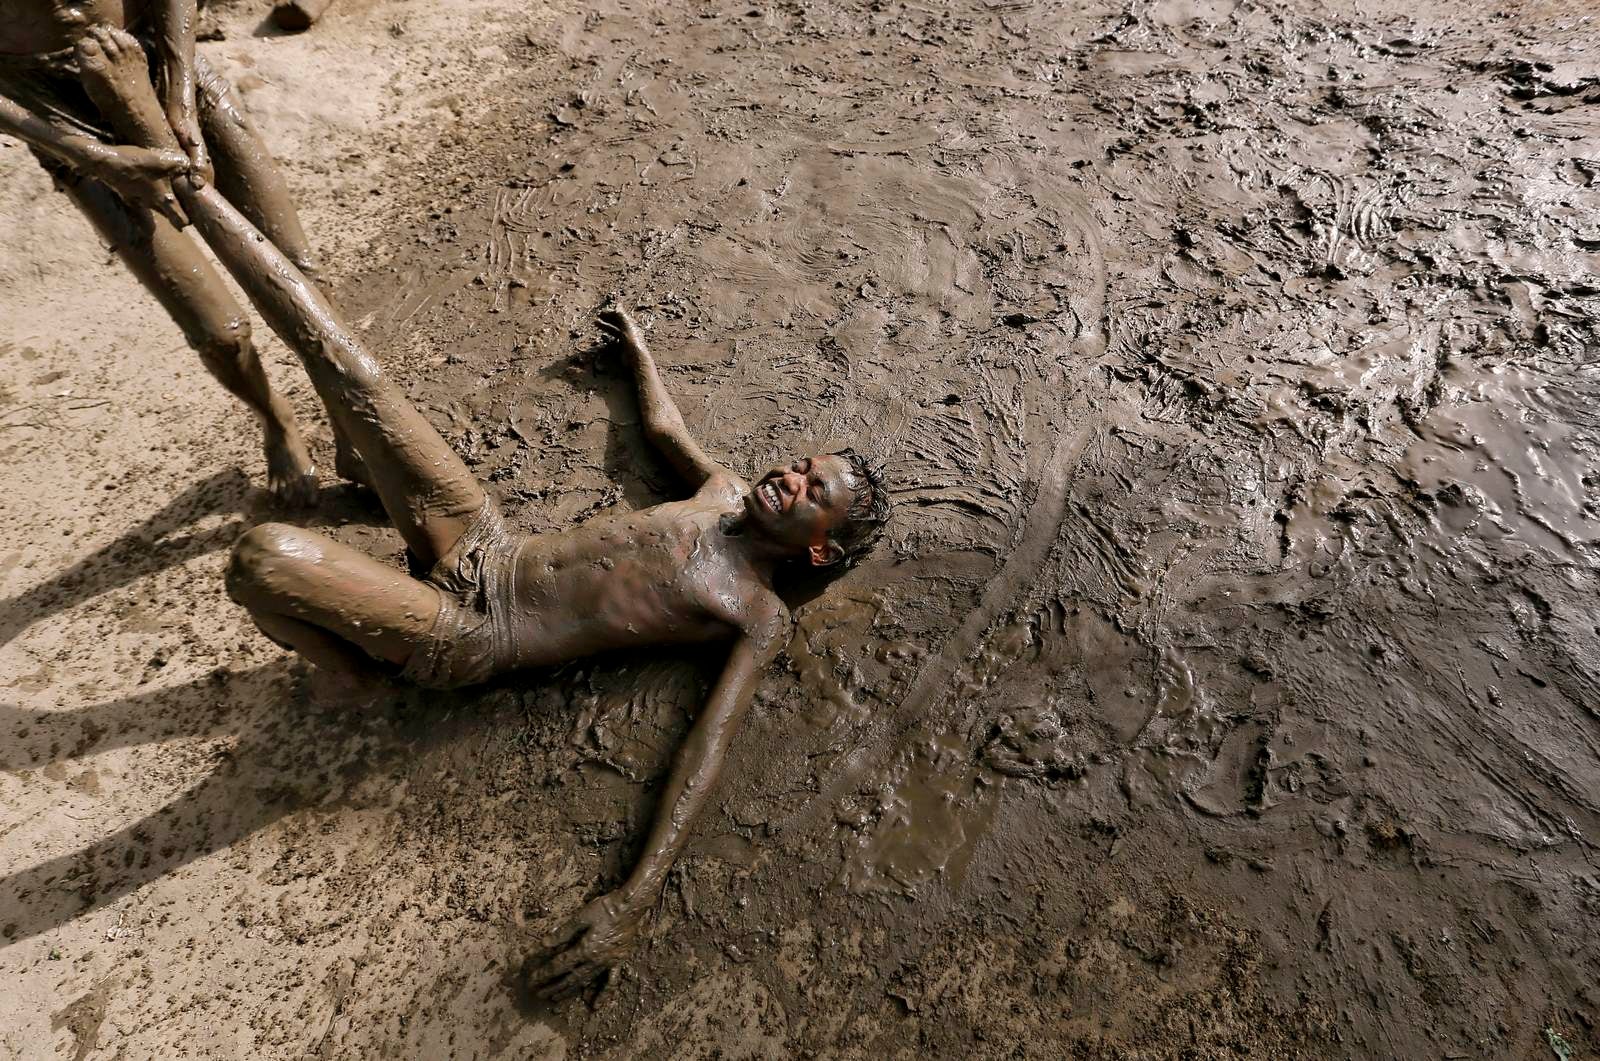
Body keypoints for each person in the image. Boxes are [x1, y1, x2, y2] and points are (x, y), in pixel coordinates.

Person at [0, 3, 359, 504]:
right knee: (216, 332)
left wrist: (179, 91)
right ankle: (275, 417)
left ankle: (348, 413)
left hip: (161, 57)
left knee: (297, 267)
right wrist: (92, 157)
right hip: (52, 111)